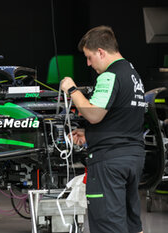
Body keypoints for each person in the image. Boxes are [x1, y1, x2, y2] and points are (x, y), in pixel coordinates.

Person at [60, 25, 145, 233]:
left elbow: (94, 113)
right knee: (132, 224)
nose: (88, 63)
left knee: (108, 226)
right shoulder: (133, 75)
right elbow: (120, 119)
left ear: (101, 52)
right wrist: (89, 134)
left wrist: (72, 89)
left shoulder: (110, 75)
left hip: (109, 165)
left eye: (89, 57)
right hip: (132, 160)